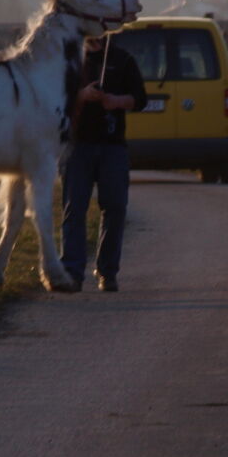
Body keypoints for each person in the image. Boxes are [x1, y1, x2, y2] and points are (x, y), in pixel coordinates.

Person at [60, 35, 147, 291]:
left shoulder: (123, 59)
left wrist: (116, 101)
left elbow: (140, 98)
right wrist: (82, 95)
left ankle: (107, 272)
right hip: (77, 146)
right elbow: (56, 99)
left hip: (113, 146)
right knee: (74, 209)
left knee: (116, 208)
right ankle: (72, 272)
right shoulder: (70, 60)